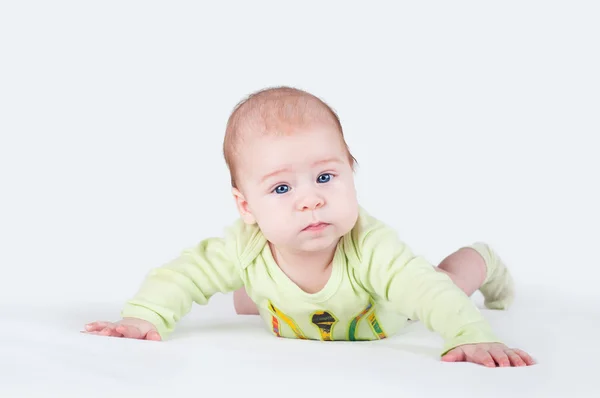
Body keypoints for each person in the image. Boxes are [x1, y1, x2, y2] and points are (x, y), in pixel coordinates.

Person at [84, 86, 534, 368]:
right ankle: (267, 291)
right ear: (247, 206)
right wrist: (143, 316)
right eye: (281, 189)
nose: (311, 199)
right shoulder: (246, 247)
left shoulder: (370, 248)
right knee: (246, 299)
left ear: (350, 174)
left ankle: (483, 258)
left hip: (388, 311)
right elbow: (183, 274)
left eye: (325, 178)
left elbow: (429, 297)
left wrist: (471, 337)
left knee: (443, 283)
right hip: (289, 313)